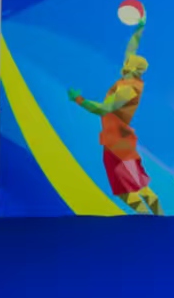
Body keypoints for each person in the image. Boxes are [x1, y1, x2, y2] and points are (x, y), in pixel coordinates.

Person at [69, 11, 162, 215]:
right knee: (126, 191)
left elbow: (104, 109)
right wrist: (140, 28)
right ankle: (152, 220)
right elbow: (131, 48)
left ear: (132, 68)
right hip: (113, 141)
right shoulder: (129, 79)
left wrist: (78, 99)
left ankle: (158, 220)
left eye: (129, 61)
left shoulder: (129, 88)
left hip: (119, 143)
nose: (125, 60)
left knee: (137, 188)